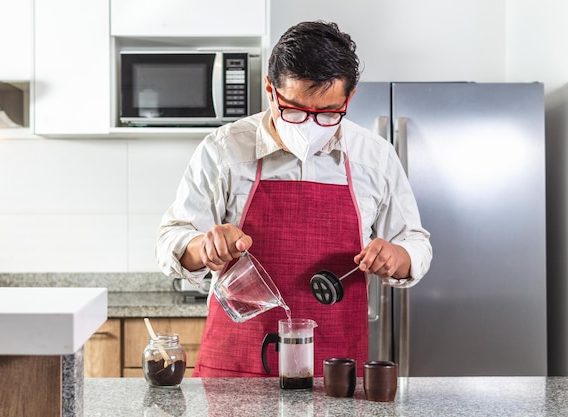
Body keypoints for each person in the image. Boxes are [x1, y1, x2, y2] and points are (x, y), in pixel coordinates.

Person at [155, 20, 432, 377]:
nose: (309, 127)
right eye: (295, 111)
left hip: (334, 369)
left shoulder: (374, 157)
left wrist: (399, 256)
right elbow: (170, 239)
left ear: (349, 98)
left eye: (329, 113)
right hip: (238, 366)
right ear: (270, 90)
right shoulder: (224, 149)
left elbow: (415, 242)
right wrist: (201, 247)